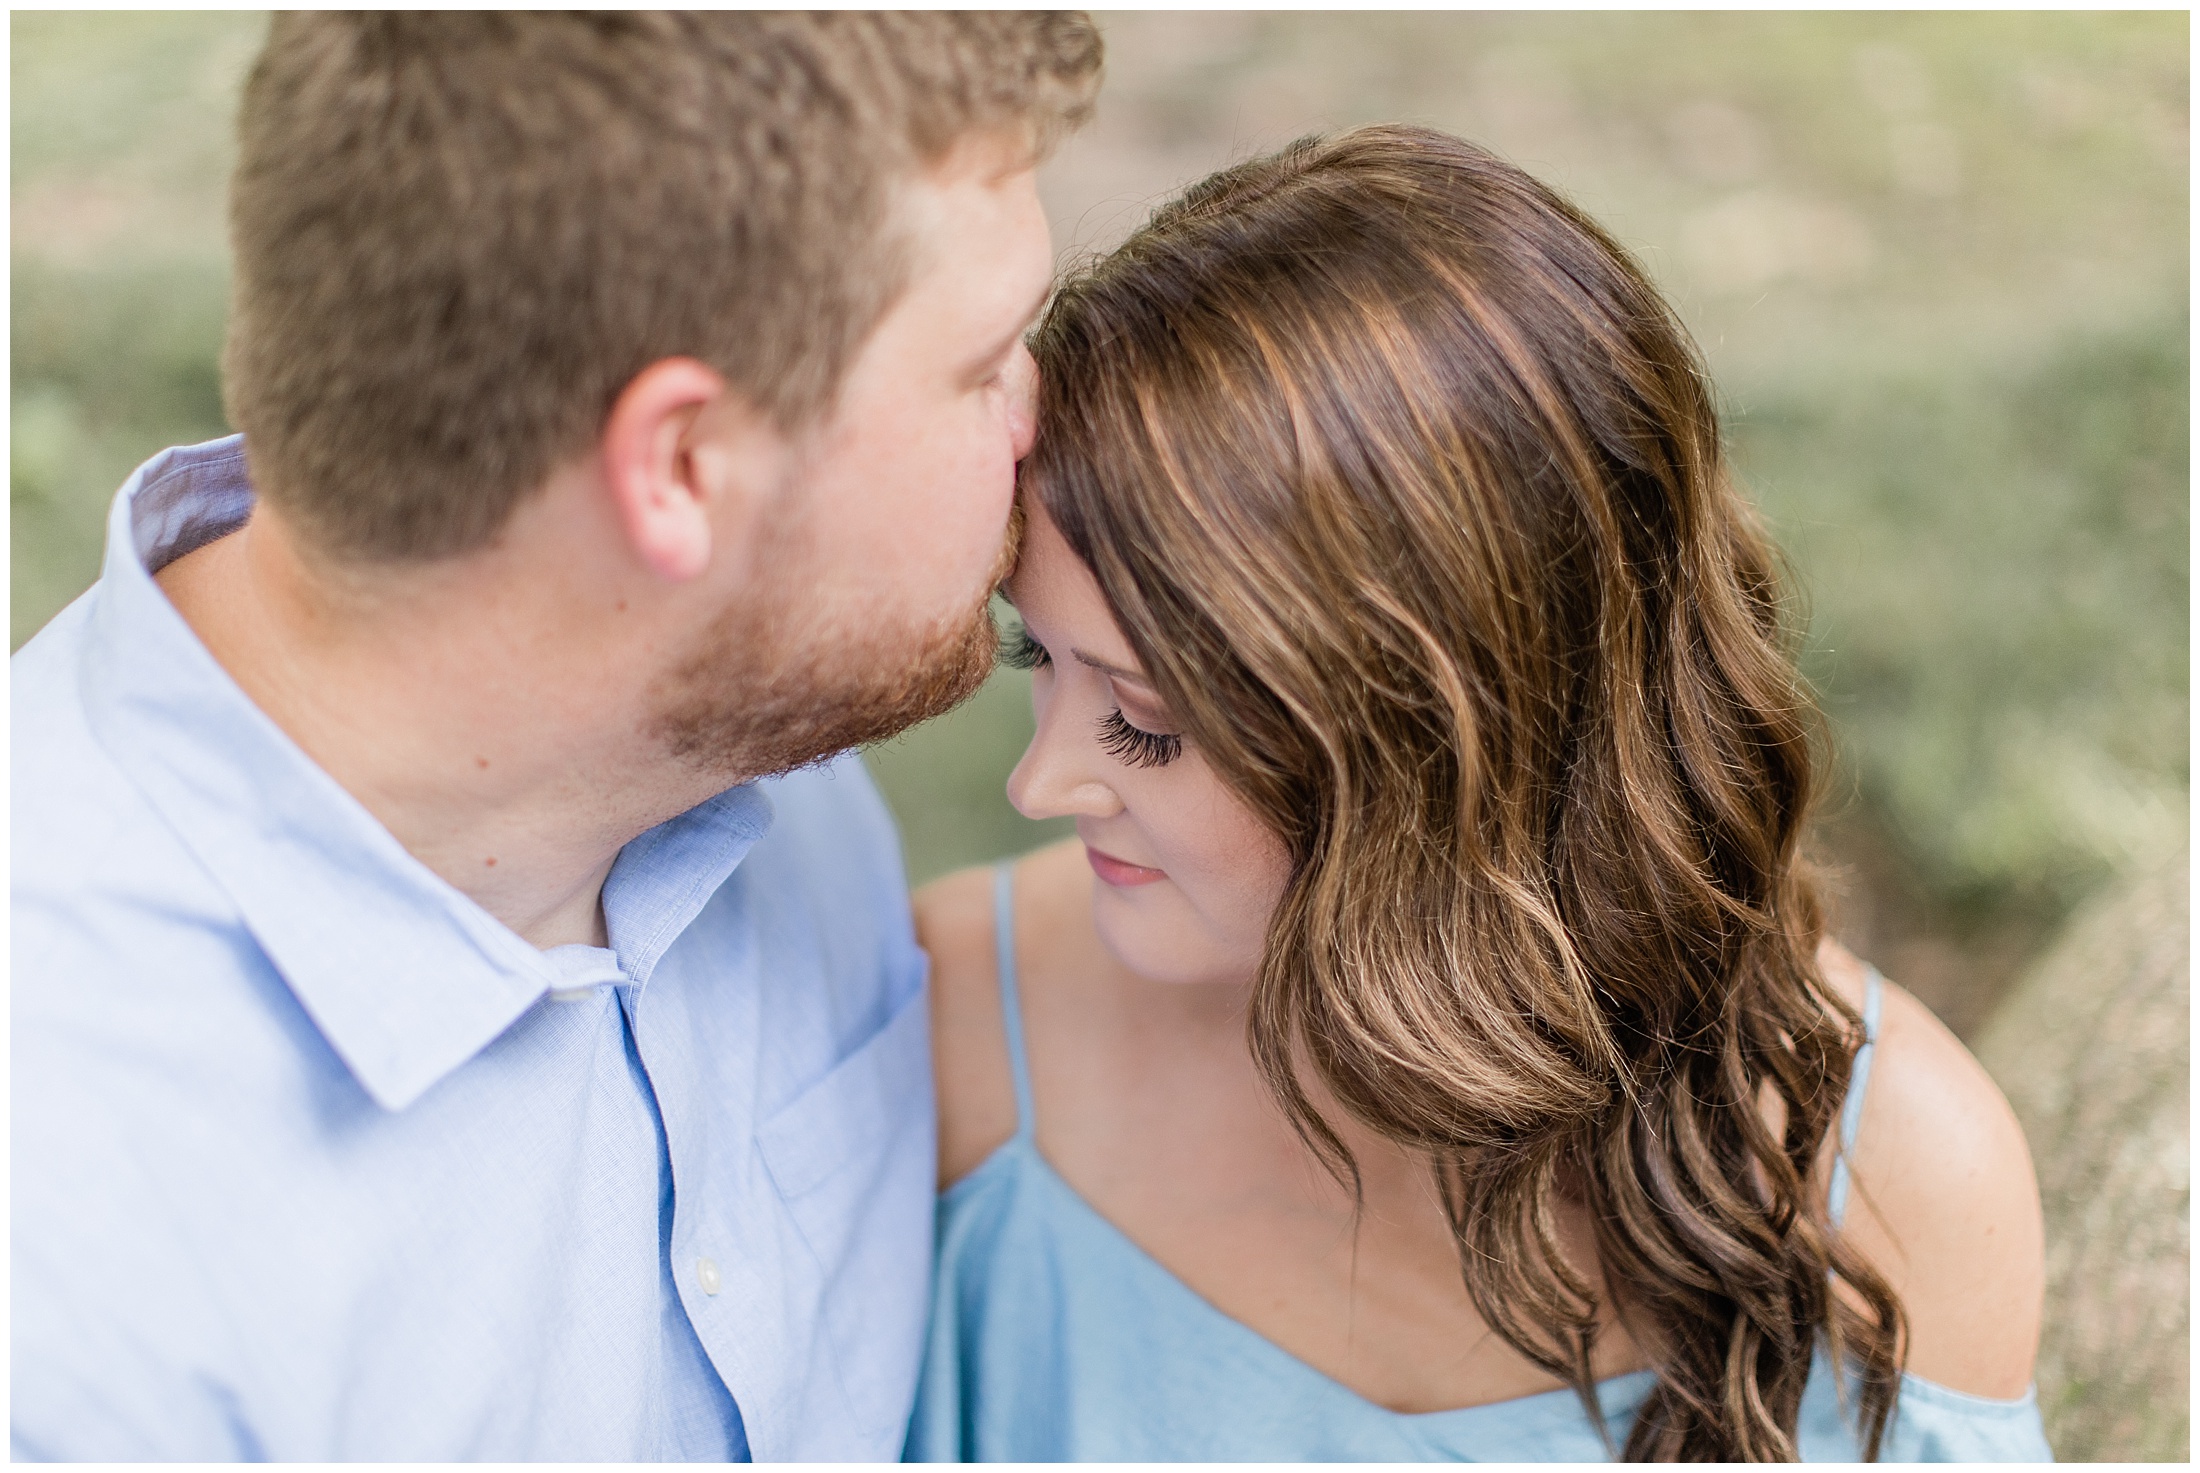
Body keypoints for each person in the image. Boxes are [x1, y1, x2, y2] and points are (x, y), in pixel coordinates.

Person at [11, 12, 1100, 1460]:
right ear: (680, 468)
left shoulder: (734, 709)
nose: (1043, 413)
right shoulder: (74, 1295)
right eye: (981, 365)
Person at [909, 125, 2052, 1461]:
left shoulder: (1890, 1181)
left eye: (1150, 719)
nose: (1041, 779)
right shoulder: (964, 1026)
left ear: (1445, 738)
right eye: (1040, 658)